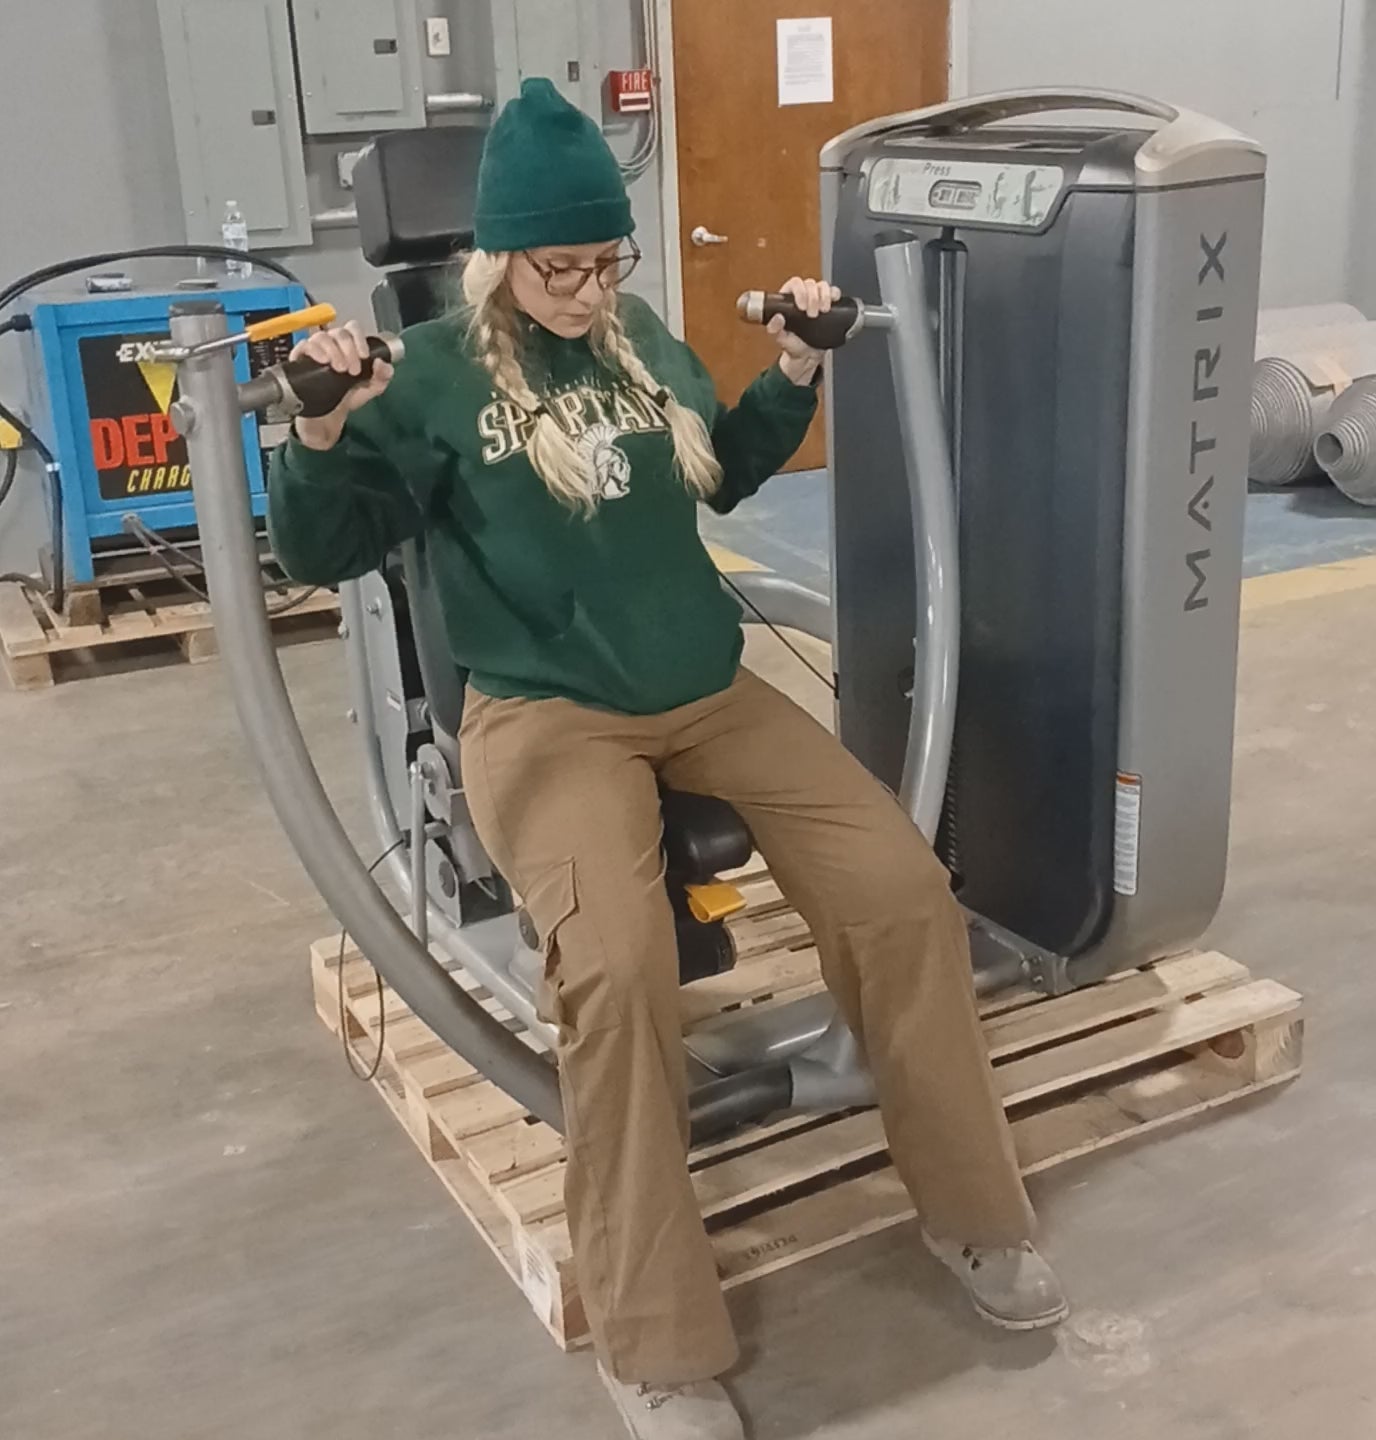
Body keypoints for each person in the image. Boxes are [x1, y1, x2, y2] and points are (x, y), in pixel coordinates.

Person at [268, 77, 1066, 1440]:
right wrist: (322, 425)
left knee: (900, 894)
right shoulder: (431, 374)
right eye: (561, 268)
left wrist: (797, 369)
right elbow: (321, 550)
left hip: (704, 689)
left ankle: (973, 1214)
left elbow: (724, 469)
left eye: (607, 260)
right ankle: (656, 1344)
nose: (588, 291)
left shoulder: (637, 339)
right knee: (620, 971)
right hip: (545, 714)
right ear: (501, 257)